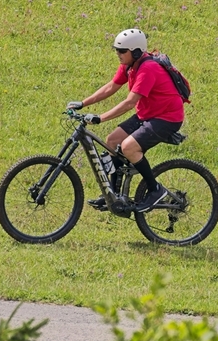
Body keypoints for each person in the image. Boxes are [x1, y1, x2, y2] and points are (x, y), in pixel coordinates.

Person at [67, 28, 185, 213]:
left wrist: (100, 118)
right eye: (116, 50)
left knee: (129, 147)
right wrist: (83, 103)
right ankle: (112, 196)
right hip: (147, 114)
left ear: (136, 52)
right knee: (112, 141)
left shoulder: (148, 69)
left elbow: (130, 102)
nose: (118, 54)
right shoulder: (130, 65)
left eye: (122, 51)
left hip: (166, 117)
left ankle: (155, 190)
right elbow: (111, 87)